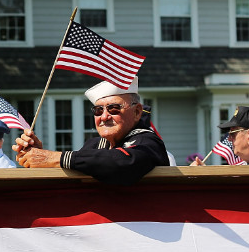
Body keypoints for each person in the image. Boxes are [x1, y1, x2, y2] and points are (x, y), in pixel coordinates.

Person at [14, 77, 169, 184]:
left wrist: (55, 158)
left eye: (114, 108)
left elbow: (121, 163)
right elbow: (80, 171)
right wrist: (38, 158)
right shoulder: (94, 145)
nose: (104, 116)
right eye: (98, 110)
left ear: (137, 112)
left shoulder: (148, 142)